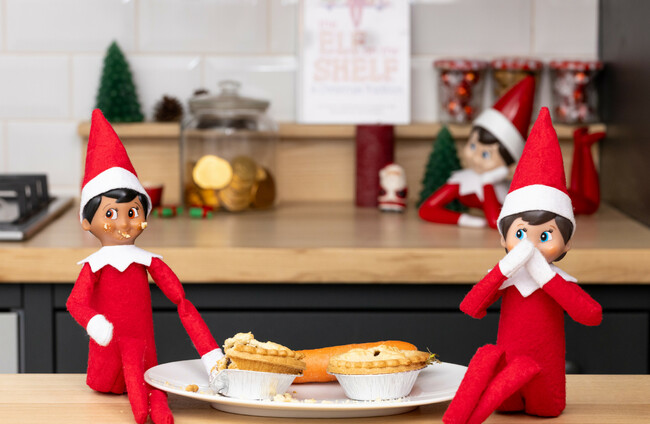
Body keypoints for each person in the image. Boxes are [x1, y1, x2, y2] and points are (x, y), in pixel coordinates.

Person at [442, 108, 602, 424]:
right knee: (496, 379)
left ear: (567, 244)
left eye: (545, 236)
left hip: (546, 380)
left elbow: (591, 315)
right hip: (507, 382)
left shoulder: (558, 281)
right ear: (503, 238)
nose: (530, 245)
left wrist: (546, 277)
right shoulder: (508, 277)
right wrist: (505, 268)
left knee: (543, 402)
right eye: (519, 234)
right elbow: (471, 306)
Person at [67, 109, 223, 424]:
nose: (124, 223)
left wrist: (211, 355)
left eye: (132, 211)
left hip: (143, 355)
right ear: (86, 221)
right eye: (110, 214)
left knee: (148, 382)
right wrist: (94, 322)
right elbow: (75, 302)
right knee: (119, 383)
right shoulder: (95, 266)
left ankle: (154, 399)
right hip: (106, 360)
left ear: (145, 214)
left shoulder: (148, 262)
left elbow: (182, 302)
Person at [419, 76, 535, 229]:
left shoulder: (511, 193)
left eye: (486, 155)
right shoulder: (463, 182)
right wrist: (463, 219)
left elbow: (496, 221)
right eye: (473, 146)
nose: (475, 158)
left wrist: (488, 182)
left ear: (510, 162)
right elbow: (426, 210)